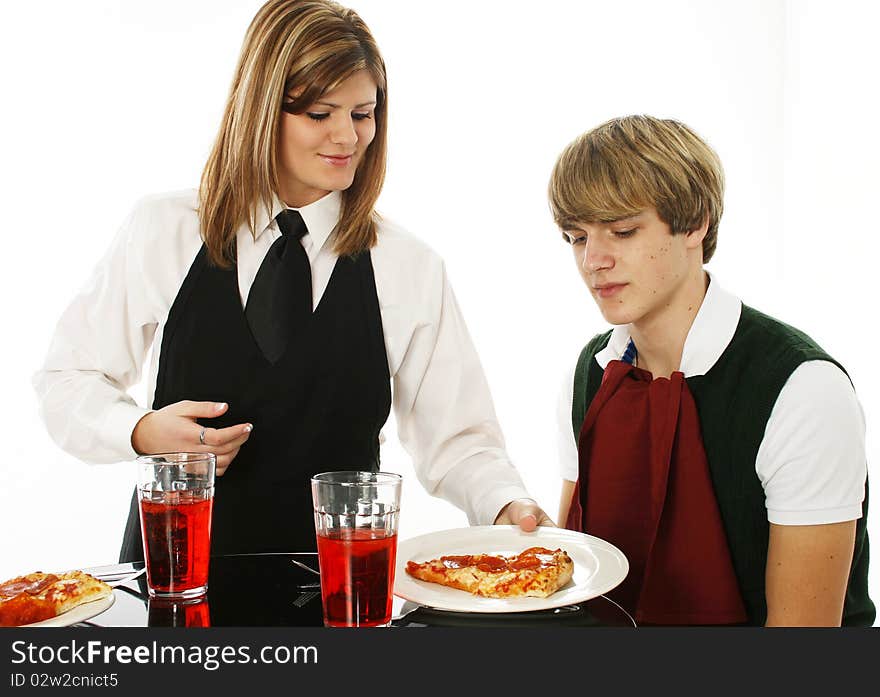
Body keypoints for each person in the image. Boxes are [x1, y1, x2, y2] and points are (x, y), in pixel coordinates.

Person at [32, 0, 551, 563]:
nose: (347, 137)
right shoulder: (164, 229)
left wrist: (507, 505)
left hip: (340, 594)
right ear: (261, 112)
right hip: (176, 580)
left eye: (362, 113)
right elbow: (67, 381)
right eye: (320, 114)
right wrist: (140, 432)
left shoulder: (408, 265)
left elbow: (460, 442)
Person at [550, 115, 872, 626]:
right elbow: (573, 573)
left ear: (694, 224)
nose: (593, 260)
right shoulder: (595, 368)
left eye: (623, 231)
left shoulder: (802, 389)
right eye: (575, 237)